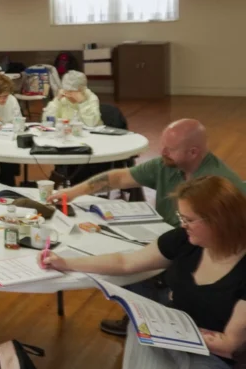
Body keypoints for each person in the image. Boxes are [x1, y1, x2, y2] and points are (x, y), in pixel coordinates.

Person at [48, 118, 244, 335]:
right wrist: (72, 192)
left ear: (193, 152)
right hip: (174, 243)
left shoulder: (221, 186)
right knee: (123, 260)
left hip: (194, 255)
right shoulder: (168, 164)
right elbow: (119, 178)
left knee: (130, 266)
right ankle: (145, 320)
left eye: (170, 149)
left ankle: (152, 315)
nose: (162, 152)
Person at [43, 176, 246, 369]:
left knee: (145, 335)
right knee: (140, 329)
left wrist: (169, 331)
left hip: (214, 357)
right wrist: (66, 263)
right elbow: (126, 262)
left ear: (216, 221)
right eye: (180, 217)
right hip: (176, 337)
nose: (183, 225)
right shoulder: (184, 240)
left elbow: (229, 345)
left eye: (188, 219)